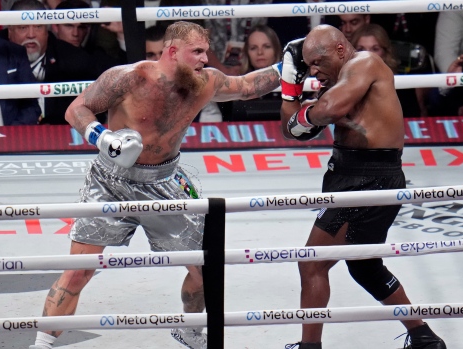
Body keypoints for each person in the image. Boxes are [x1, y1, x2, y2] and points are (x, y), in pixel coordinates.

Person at [29, 21, 281, 349]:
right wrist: (103, 138)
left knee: (205, 269)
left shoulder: (205, 82)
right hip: (111, 181)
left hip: (165, 181)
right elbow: (77, 109)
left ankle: (190, 330)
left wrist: (286, 65)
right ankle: (42, 344)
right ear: (172, 52)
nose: (205, 58)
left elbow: (248, 86)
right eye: (198, 52)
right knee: (79, 271)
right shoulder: (129, 77)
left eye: (205, 51)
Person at [278, 25, 446, 349]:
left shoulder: (364, 63)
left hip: (370, 178)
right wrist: (290, 89)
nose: (313, 71)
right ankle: (424, 337)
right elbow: (291, 130)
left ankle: (309, 347)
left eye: (318, 61)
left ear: (341, 50)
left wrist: (307, 113)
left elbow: (327, 112)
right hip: (350, 173)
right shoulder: (339, 84)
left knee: (312, 262)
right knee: (364, 265)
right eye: (308, 65)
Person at [2, 0, 102, 125]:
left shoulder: (75, 60)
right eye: (23, 27)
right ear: (10, 31)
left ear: (47, 31)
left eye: (38, 27)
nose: (31, 35)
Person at [350, 23, 428, 116]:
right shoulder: (342, 83)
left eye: (375, 49)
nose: (368, 55)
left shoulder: (403, 85)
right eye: (361, 49)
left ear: (385, 53)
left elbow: (411, 118)